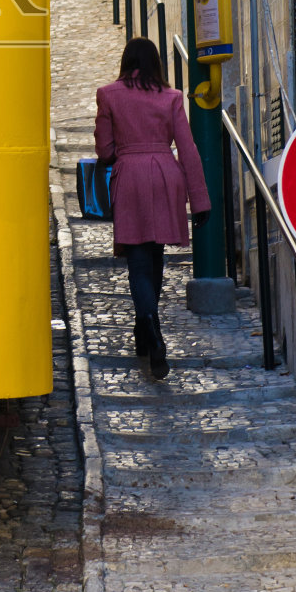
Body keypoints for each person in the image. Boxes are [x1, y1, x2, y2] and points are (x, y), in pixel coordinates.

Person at [94, 36, 210, 379]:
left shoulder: (108, 95)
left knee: (138, 261)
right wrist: (200, 200)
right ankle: (147, 328)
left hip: (130, 177)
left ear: (125, 62)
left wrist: (126, 148)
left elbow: (104, 151)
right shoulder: (172, 97)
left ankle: (149, 326)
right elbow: (187, 149)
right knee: (155, 255)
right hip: (165, 175)